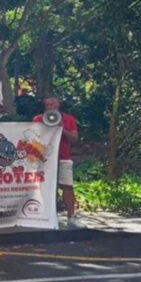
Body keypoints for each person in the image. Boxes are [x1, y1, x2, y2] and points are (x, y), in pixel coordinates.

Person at [33, 96, 80, 227]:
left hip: (63, 157)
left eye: (52, 104)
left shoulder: (68, 119)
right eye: (47, 105)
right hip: (44, 160)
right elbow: (33, 138)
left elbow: (74, 139)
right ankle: (43, 217)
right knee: (42, 187)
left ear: (58, 105)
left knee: (67, 186)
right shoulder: (38, 119)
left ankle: (71, 217)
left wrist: (61, 129)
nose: (50, 107)